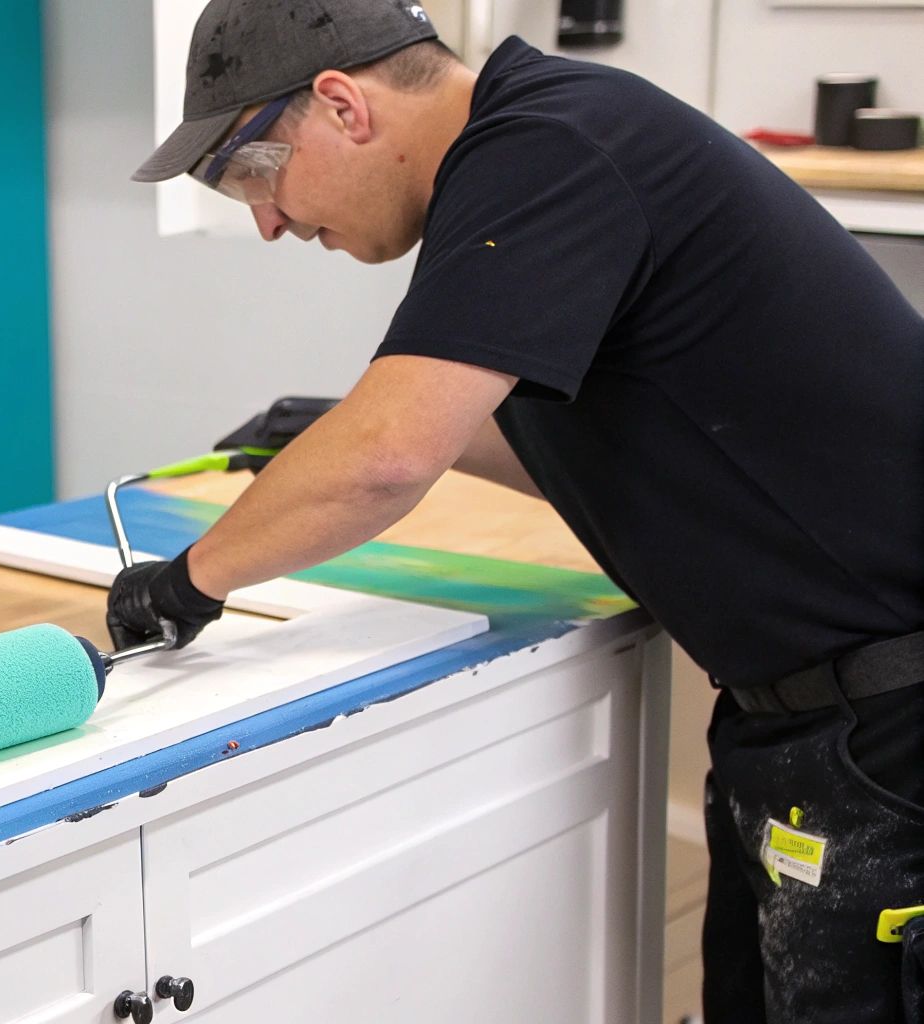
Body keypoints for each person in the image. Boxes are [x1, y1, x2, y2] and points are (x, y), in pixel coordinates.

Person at [103, 1, 924, 1020]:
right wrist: (325, 434)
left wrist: (190, 577)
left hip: (889, 731)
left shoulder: (544, 149)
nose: (267, 222)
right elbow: (575, 437)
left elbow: (386, 460)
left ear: (340, 106)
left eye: (251, 177)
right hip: (806, 726)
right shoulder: (547, 138)